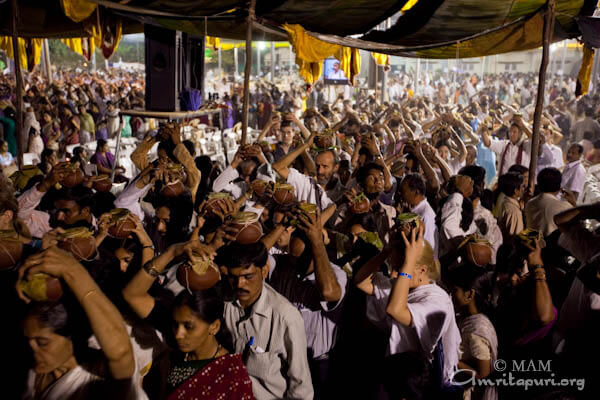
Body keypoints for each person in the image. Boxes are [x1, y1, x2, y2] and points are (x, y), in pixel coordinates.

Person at [120, 238, 254, 399]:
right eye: (175, 325)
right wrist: (171, 252)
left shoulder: (232, 376)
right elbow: (132, 294)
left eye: (189, 326)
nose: (178, 334)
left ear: (214, 326)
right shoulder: (177, 349)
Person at [17, 246, 138, 400]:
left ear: (73, 336)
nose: (32, 350)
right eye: (27, 340)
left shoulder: (94, 376)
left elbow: (121, 353)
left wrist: (73, 270)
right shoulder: (31, 372)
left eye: (42, 342)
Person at [355, 224, 461, 390]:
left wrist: (410, 261)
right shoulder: (400, 285)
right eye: (395, 268)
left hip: (418, 382)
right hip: (395, 370)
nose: (395, 274)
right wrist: (387, 251)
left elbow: (395, 310)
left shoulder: (437, 300)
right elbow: (361, 282)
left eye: (401, 269)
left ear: (422, 270)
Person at [217, 242, 314, 399]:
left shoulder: (285, 316)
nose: (240, 284)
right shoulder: (224, 301)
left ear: (264, 270)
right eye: (233, 277)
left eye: (248, 277)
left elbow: (301, 386)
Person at [399, 173, 438, 258]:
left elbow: (429, 247)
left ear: (416, 192)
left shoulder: (426, 215)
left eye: (403, 191)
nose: (401, 195)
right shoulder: (412, 210)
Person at [525, 168, 573, 238]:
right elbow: (575, 227)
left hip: (533, 244)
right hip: (550, 247)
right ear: (559, 187)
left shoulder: (530, 203)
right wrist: (573, 203)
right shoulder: (565, 207)